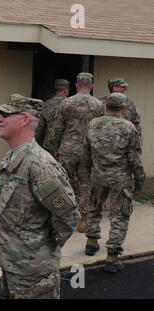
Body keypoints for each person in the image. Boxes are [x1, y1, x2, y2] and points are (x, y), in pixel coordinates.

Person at [0, 93, 80, 299]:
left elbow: (68, 216)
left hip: (34, 273)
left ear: (24, 119)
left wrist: (44, 247)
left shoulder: (40, 165)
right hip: (12, 266)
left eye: (6, 114)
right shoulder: (11, 158)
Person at [80, 92, 145, 272]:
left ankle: (91, 242)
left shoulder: (93, 124)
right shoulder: (128, 127)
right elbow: (134, 160)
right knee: (119, 215)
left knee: (94, 208)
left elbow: (85, 153)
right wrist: (139, 181)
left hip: (98, 176)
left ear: (106, 106)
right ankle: (112, 256)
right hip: (120, 179)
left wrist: (85, 174)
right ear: (123, 108)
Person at [49, 72, 105, 233]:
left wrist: (54, 148)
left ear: (76, 85)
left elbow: (57, 129)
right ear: (91, 86)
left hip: (67, 150)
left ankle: (64, 217)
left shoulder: (66, 103)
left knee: (64, 183)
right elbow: (100, 130)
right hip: (87, 151)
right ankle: (83, 218)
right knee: (86, 184)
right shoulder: (99, 105)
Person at [99, 78, 142, 148]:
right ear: (115, 88)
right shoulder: (100, 103)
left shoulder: (129, 103)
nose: (125, 89)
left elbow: (136, 123)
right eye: (123, 87)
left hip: (123, 144)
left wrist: (138, 145)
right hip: (104, 144)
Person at [35, 79, 70, 156]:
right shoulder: (70, 104)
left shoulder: (46, 104)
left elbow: (40, 127)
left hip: (48, 145)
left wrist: (36, 144)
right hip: (65, 145)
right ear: (65, 90)